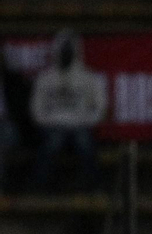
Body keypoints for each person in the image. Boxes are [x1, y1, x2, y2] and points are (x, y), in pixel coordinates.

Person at [29, 30, 105, 189]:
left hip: (80, 125)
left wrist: (85, 120)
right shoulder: (45, 78)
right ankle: (38, 188)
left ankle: (94, 188)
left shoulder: (88, 77)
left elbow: (100, 106)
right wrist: (50, 121)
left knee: (85, 144)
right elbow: (36, 109)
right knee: (51, 144)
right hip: (53, 125)